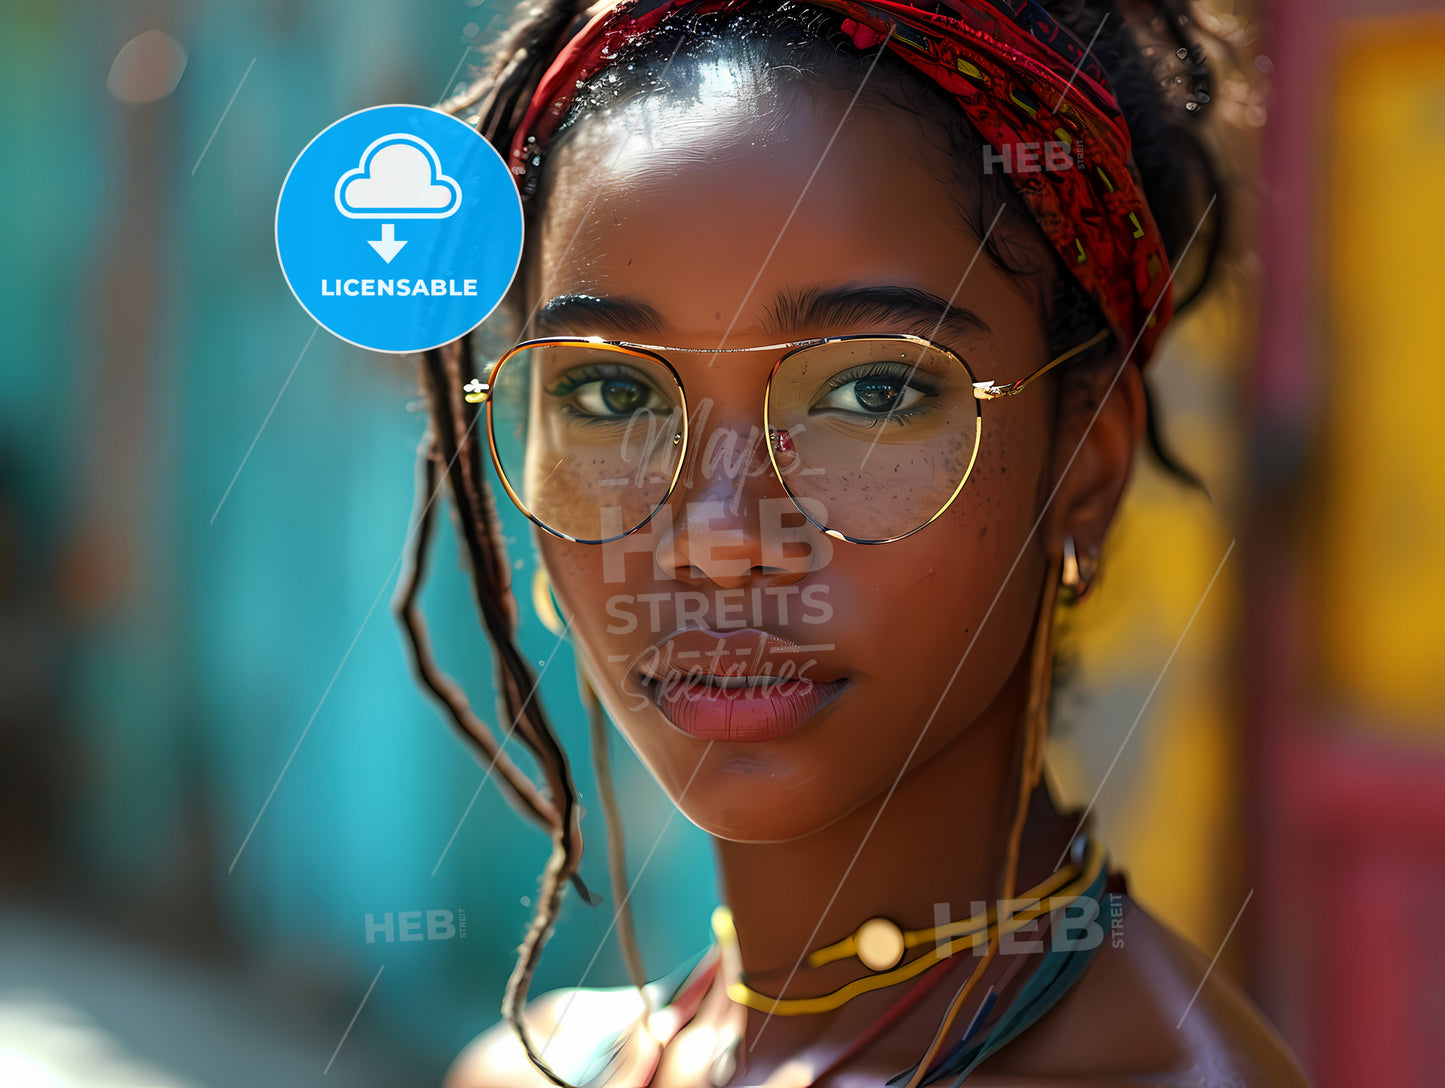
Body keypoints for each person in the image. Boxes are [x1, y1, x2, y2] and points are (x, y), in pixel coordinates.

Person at [392, 1, 1311, 1084]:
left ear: (1083, 469)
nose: (720, 536)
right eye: (608, 388)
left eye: (871, 392)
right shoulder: (537, 1065)